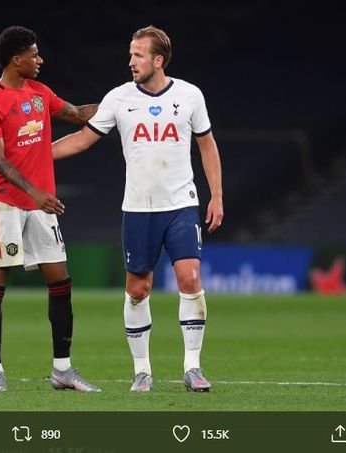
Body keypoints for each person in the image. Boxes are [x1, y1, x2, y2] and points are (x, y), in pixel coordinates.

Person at [52, 26, 224, 392]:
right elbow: (83, 140)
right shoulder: (118, 98)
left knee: (190, 279)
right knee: (138, 290)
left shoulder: (190, 95)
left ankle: (192, 368)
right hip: (139, 209)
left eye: (139, 55)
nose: (131, 62)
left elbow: (207, 145)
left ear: (158, 60)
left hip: (182, 205)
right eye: (131, 54)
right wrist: (34, 155)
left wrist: (217, 195)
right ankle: (142, 370)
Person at [0, 26, 100, 392]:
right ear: (17, 59)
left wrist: (123, 102)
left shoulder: (40, 94)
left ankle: (63, 369)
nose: (40, 60)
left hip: (41, 205)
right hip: (4, 204)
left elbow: (77, 114)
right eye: (34, 54)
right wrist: (35, 192)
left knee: (60, 281)